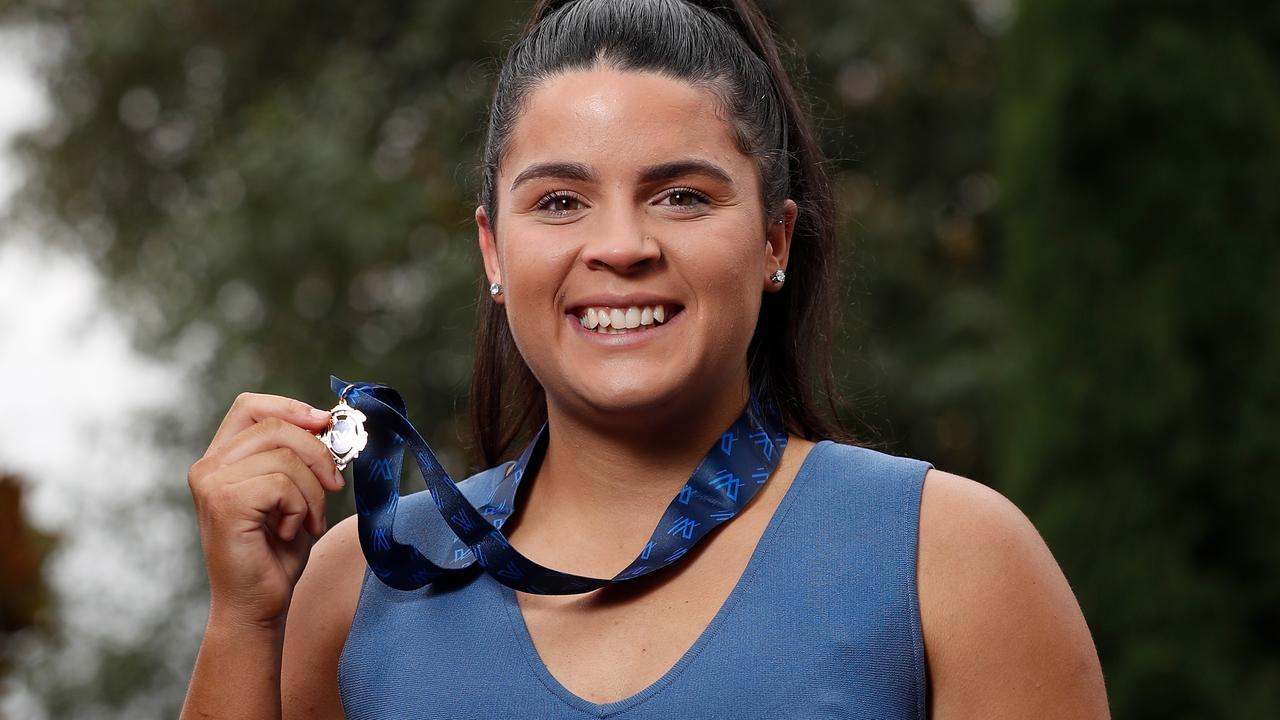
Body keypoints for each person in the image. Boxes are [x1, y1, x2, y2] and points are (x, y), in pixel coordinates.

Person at [181, 0, 1110, 717]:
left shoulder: (949, 559)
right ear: (493, 252)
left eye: (682, 197)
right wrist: (244, 622)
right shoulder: (356, 586)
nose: (620, 245)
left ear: (778, 241)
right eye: (558, 203)